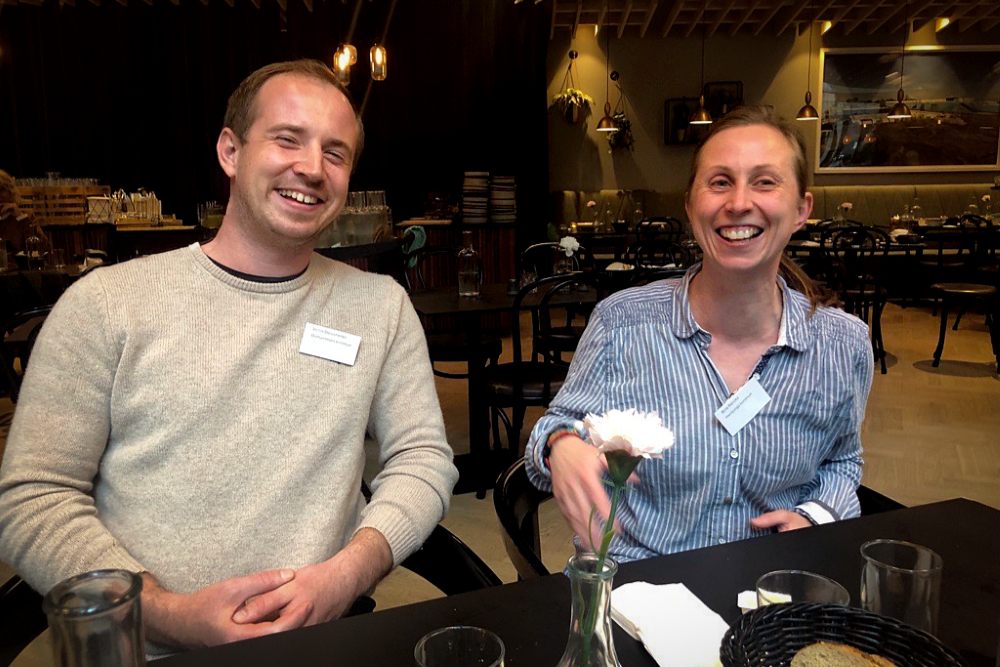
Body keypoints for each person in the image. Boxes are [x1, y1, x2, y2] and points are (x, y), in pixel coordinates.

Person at [0, 60, 457, 654]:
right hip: (147, 651)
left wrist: (347, 575)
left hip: (326, 642)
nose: (311, 168)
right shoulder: (106, 304)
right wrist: (163, 614)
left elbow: (423, 459)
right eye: (287, 139)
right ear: (231, 151)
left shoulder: (380, 307)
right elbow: (35, 497)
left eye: (335, 153)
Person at [525, 106, 874, 564]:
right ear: (691, 207)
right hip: (640, 585)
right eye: (720, 182)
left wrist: (818, 514)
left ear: (801, 210)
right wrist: (561, 445)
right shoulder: (621, 324)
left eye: (765, 182)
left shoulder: (843, 345)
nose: (739, 202)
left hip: (769, 584)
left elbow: (842, 460)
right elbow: (551, 433)